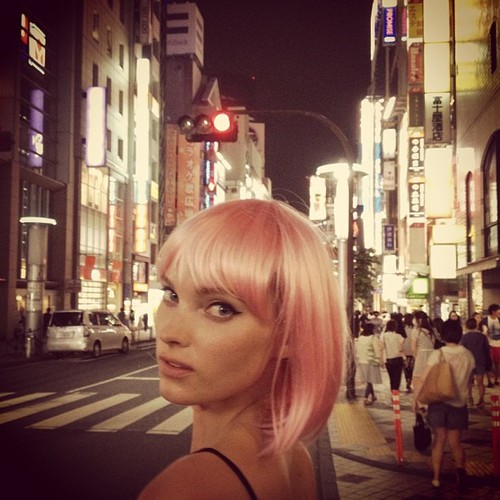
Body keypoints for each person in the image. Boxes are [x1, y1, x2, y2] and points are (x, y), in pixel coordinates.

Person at [138, 199, 347, 499]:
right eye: (171, 294)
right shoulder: (294, 457)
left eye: (221, 308)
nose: (170, 333)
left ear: (289, 334)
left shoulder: (188, 489)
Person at [413, 322, 475, 492]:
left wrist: (416, 399)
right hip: (459, 403)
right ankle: (460, 472)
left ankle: (436, 479)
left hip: (438, 402)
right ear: (460, 334)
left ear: (443, 335)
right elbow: (469, 380)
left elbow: (423, 378)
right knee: (456, 443)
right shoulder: (468, 355)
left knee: (439, 440)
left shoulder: (438, 354)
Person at [461, 317, 491, 408]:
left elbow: (462, 349)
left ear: (466, 326)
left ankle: (470, 398)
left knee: (469, 382)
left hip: (468, 362)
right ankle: (481, 400)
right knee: (480, 383)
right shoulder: (482, 336)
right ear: (476, 325)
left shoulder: (464, 337)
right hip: (480, 361)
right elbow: (487, 349)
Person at [411, 310, 436, 404]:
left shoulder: (416, 331)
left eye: (415, 318)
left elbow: (413, 348)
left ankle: (419, 402)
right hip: (432, 356)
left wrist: (416, 358)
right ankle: (428, 401)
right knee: (429, 379)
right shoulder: (432, 331)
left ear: (419, 320)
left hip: (421, 356)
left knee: (417, 379)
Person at [355, 322, 383, 405]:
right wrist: (380, 360)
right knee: (370, 380)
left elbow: (357, 349)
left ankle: (373, 396)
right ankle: (365, 398)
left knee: (368, 380)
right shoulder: (373, 338)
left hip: (362, 361)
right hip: (371, 361)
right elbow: (377, 350)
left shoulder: (360, 338)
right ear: (372, 329)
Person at [380, 319, 405, 393]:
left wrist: (381, 360)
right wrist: (405, 357)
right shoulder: (399, 336)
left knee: (392, 378)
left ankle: (393, 394)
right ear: (395, 327)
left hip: (389, 360)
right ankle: (395, 395)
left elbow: (381, 348)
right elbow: (402, 349)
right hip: (398, 359)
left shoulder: (383, 336)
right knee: (397, 379)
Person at [480, 303, 500, 387]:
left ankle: (497, 379)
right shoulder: (485, 320)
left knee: (497, 363)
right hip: (489, 344)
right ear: (493, 311)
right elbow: (484, 331)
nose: (499, 312)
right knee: (489, 363)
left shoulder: (499, 319)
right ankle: (489, 380)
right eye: (498, 311)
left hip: (498, 344)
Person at [402, 312, 415, 392]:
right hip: (413, 350)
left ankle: (407, 379)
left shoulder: (402, 328)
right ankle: (410, 379)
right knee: (412, 366)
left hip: (405, 350)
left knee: (406, 367)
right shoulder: (415, 328)